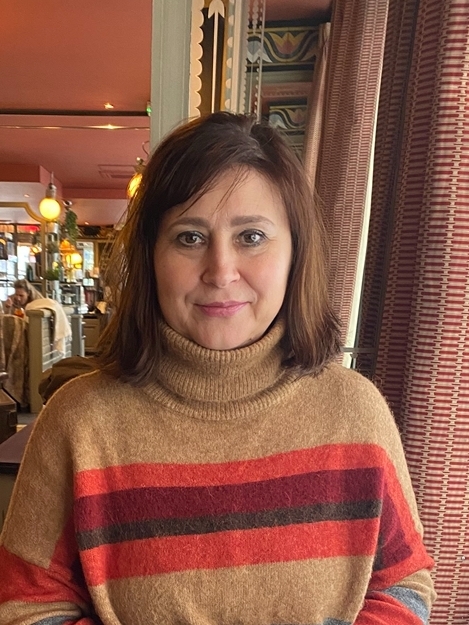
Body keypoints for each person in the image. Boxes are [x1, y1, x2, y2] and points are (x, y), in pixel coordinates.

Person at [0, 112, 435, 624]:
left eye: (251, 237)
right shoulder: (77, 420)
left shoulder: (355, 411)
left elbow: (404, 583)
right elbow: (27, 603)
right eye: (189, 237)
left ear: (295, 252)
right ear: (150, 256)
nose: (220, 271)